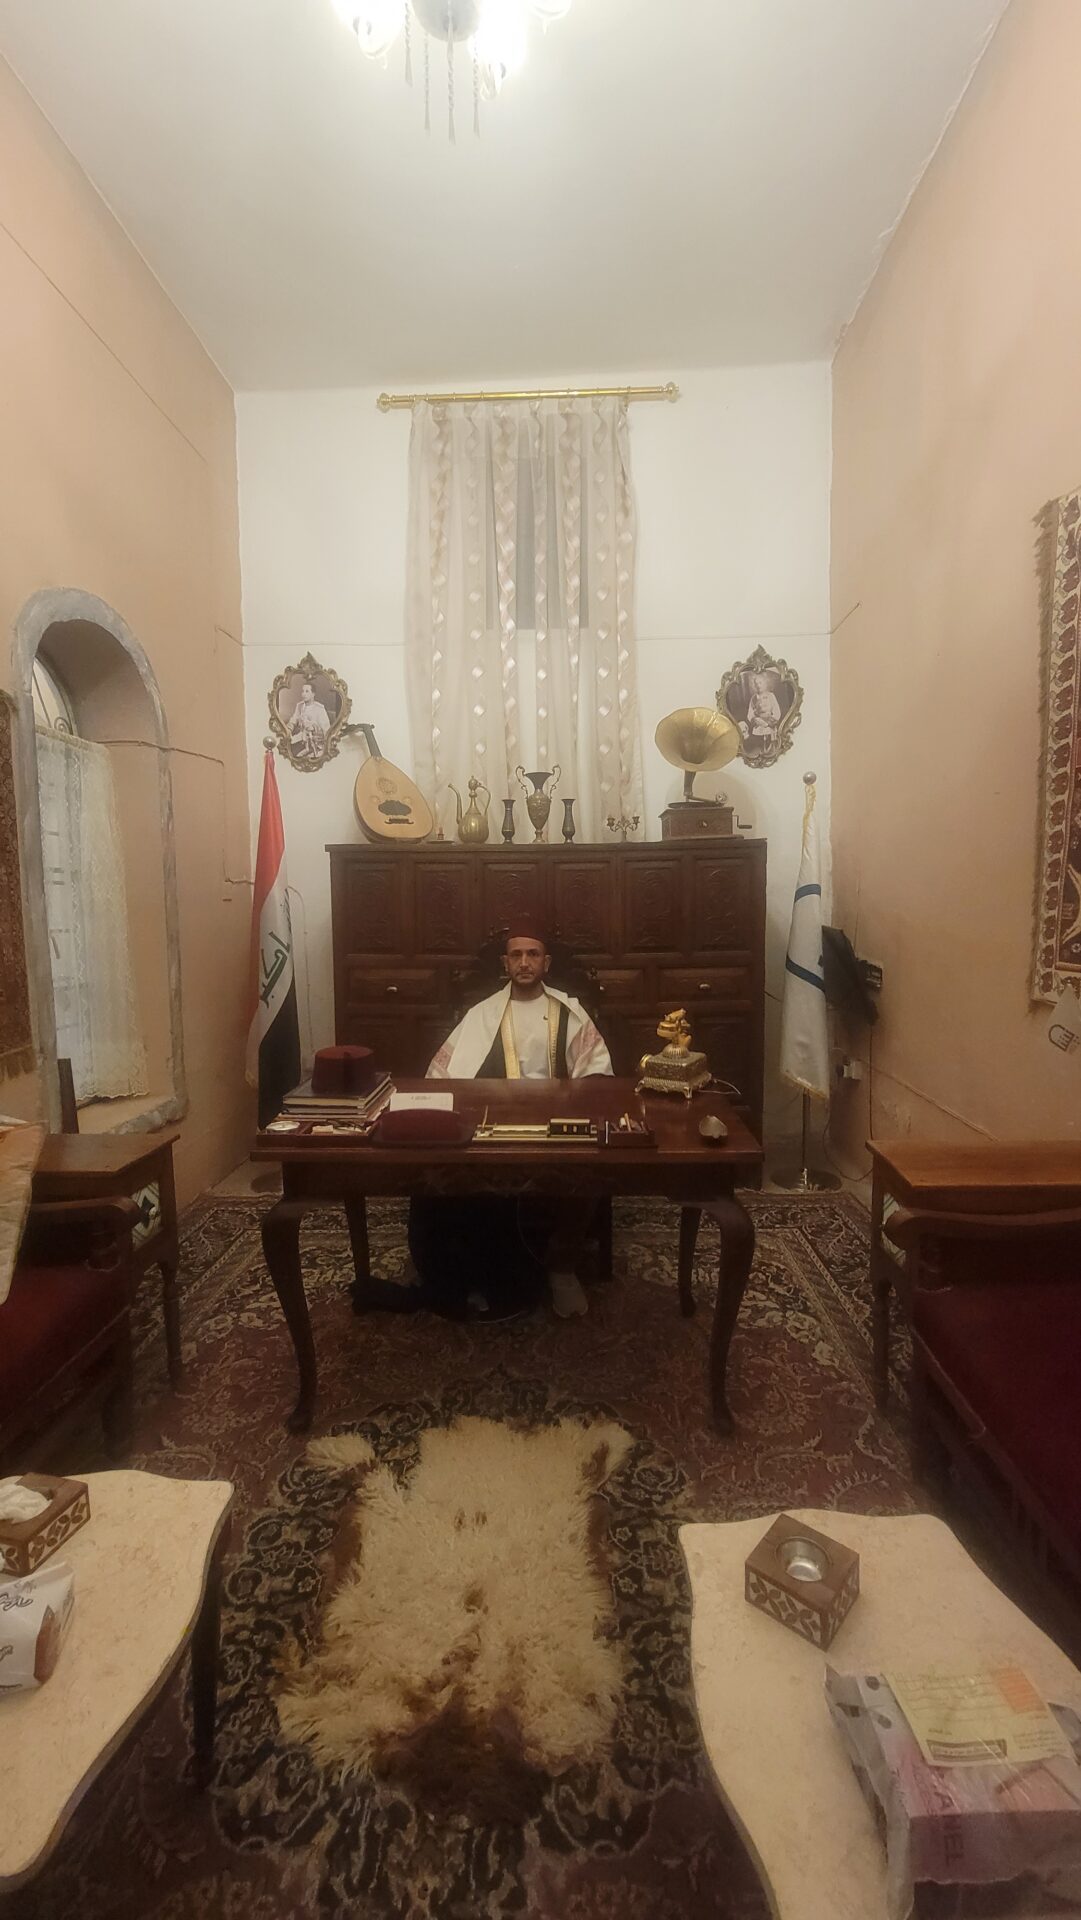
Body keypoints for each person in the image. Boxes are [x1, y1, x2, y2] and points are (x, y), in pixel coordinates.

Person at [352, 921, 612, 1322]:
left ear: (547, 963)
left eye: (533, 954)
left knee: (588, 1170)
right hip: (492, 1129)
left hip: (555, 1126)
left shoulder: (570, 1012)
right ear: (504, 963)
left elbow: (596, 1077)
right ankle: (468, 1275)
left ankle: (561, 1268)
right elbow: (442, 1077)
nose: (524, 963)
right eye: (516, 955)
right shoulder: (481, 1014)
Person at [288, 679, 332, 759]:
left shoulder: (319, 709)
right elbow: (293, 720)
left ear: (313, 694)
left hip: (316, 743)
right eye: (303, 691)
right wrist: (288, 729)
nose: (303, 694)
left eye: (307, 691)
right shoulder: (300, 706)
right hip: (301, 739)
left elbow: (327, 730)